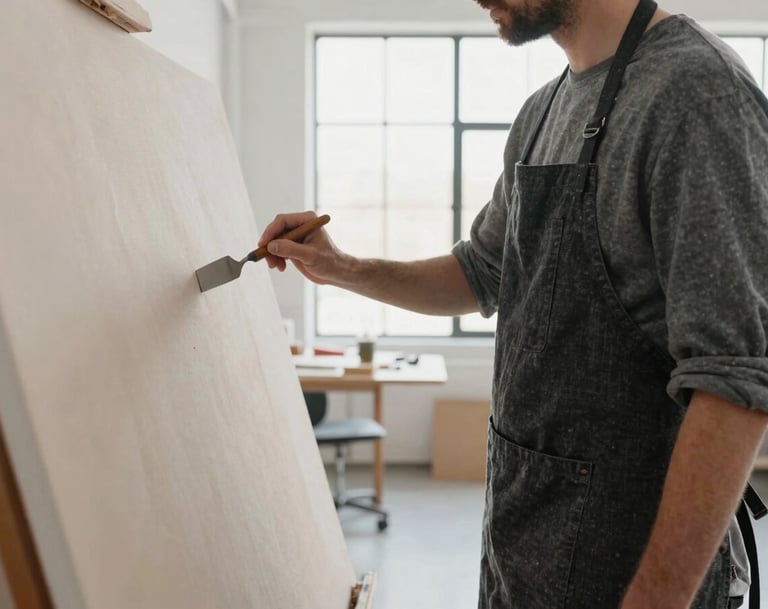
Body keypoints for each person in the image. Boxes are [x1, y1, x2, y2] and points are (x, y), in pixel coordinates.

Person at [258, 0, 768, 607]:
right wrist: (341, 268)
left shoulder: (696, 94)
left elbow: (735, 381)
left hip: (629, 570)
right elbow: (481, 272)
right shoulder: (543, 111)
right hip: (523, 545)